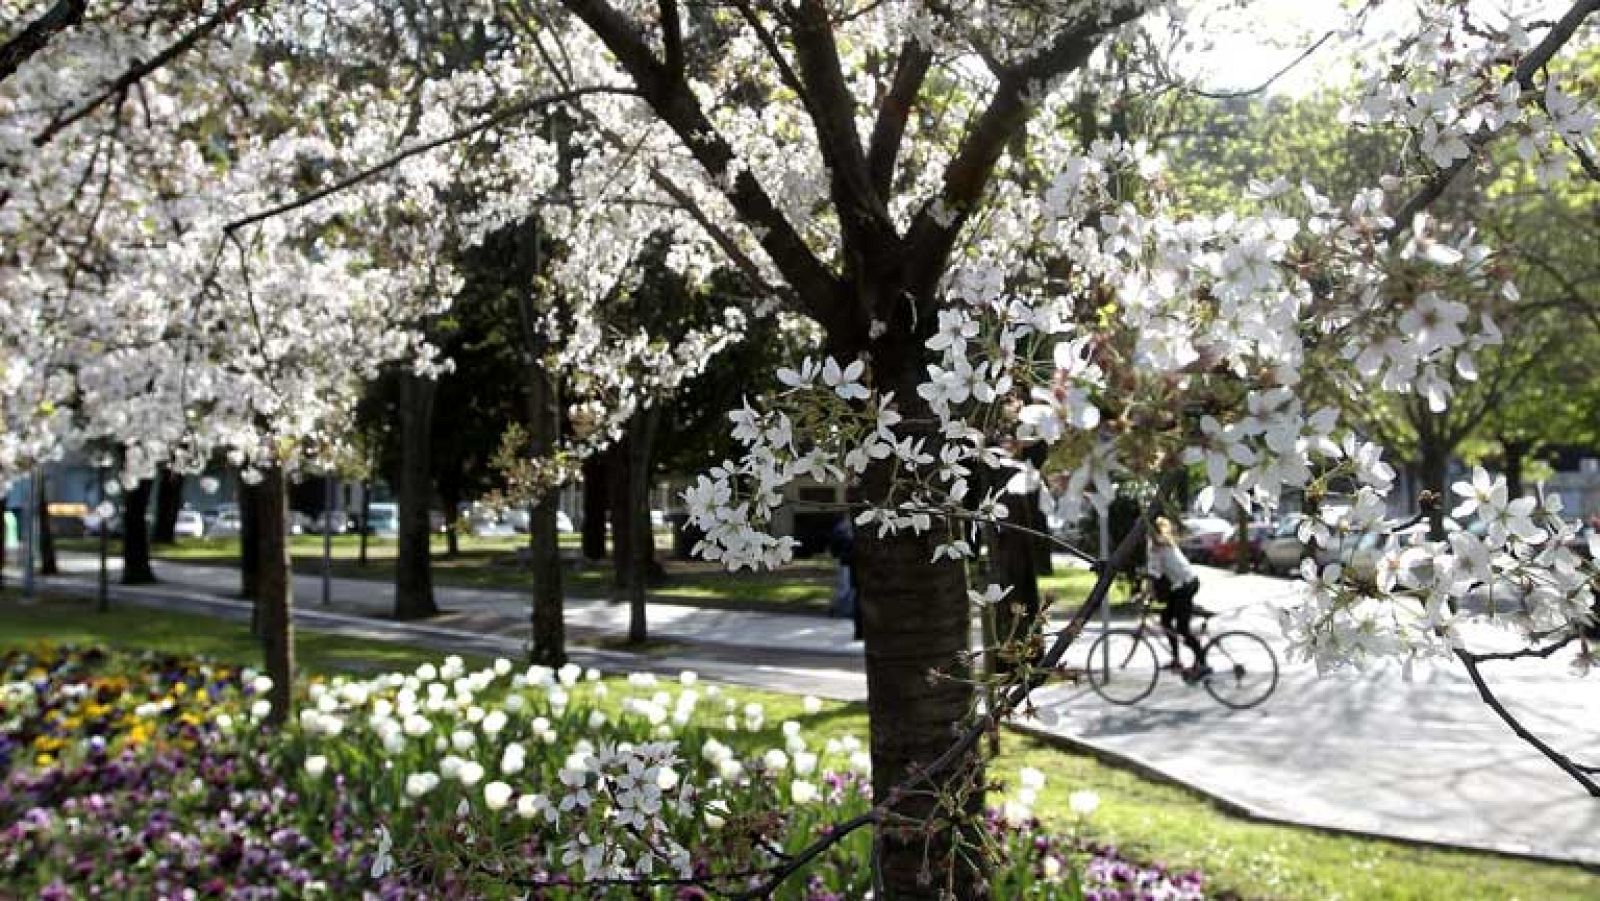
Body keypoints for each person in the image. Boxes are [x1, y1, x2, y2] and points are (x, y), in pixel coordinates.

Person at [1147, 516, 1208, 679]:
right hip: (1184, 584)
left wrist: (1147, 593)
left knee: (1182, 628)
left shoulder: (1158, 547)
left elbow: (1154, 575)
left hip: (1185, 586)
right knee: (1166, 619)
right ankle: (1176, 659)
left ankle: (1203, 663)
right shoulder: (1166, 544)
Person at [828, 516, 862, 641]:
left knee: (847, 590)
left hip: (850, 568)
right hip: (851, 568)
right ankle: (837, 610)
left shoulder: (847, 531)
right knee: (846, 590)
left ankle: (838, 610)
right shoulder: (847, 532)